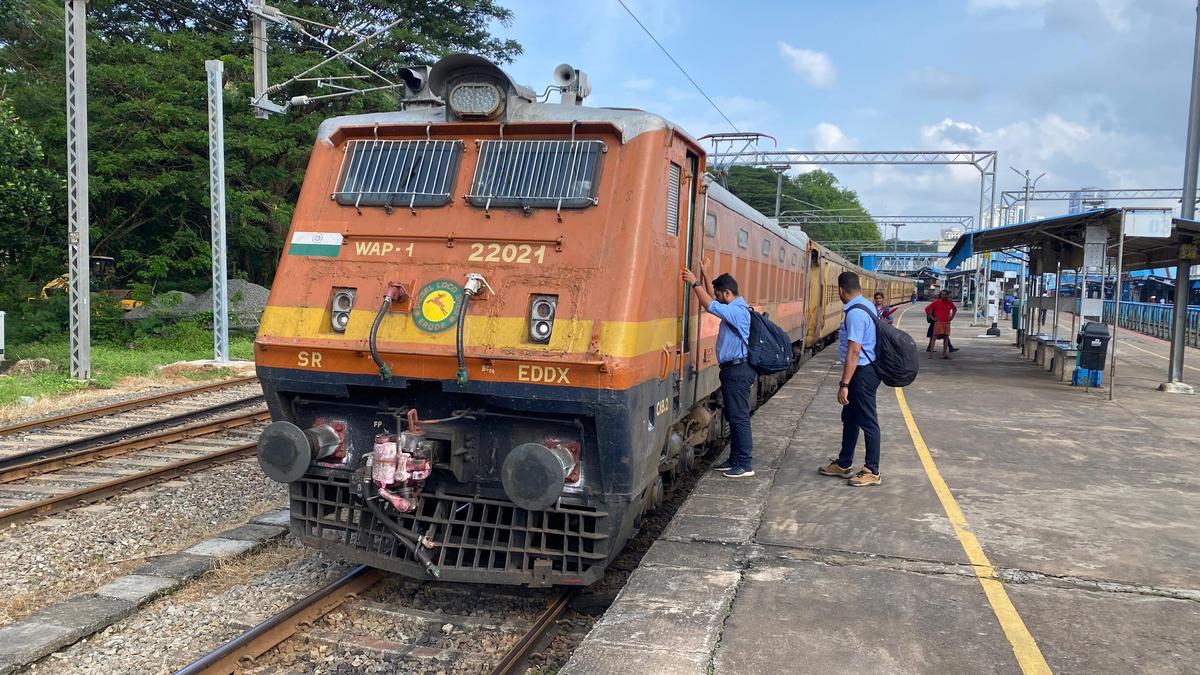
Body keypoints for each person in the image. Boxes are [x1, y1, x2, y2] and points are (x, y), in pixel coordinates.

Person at [681, 265, 756, 478]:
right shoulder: (735, 307)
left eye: (719, 294)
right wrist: (705, 275)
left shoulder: (737, 311)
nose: (717, 297)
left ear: (727, 294)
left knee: (739, 417)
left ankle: (744, 464)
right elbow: (714, 301)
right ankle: (735, 459)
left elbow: (711, 305)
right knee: (734, 416)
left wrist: (695, 282)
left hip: (738, 370)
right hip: (734, 369)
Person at [819, 272, 882, 487]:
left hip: (862, 373)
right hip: (865, 370)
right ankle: (844, 463)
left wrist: (844, 384)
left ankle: (872, 470)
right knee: (850, 419)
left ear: (840, 290)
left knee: (868, 422)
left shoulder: (855, 313)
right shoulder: (867, 305)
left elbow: (854, 352)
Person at [925, 290, 958, 359]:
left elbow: (954, 309)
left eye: (945, 294)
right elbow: (928, 309)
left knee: (946, 337)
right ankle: (930, 354)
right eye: (942, 294)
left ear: (947, 295)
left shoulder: (949, 302)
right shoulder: (936, 302)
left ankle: (944, 354)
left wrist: (951, 317)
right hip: (938, 322)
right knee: (934, 337)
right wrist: (932, 317)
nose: (944, 296)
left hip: (946, 322)